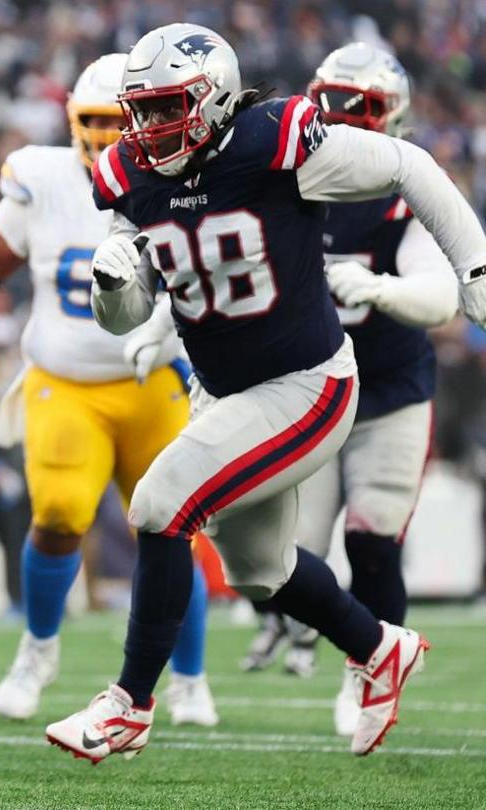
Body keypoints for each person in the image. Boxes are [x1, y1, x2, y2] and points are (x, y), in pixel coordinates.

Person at [46, 23, 486, 762]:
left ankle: (128, 704)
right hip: (226, 393)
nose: (149, 128)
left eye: (166, 109)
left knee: (159, 504)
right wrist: (114, 283)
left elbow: (410, 165)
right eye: (141, 111)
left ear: (213, 98)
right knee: (260, 571)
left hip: (307, 382)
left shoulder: (277, 143)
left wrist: (474, 266)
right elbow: (121, 311)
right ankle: (378, 647)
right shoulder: (131, 174)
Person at [0, 54, 216, 725]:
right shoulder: (44, 181)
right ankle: (38, 650)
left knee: (174, 533)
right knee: (58, 515)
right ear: (70, 123)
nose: (103, 135)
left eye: (116, 121)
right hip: (66, 383)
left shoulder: (185, 181)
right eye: (92, 121)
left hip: (155, 383)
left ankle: (191, 677)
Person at [241, 44, 456, 736]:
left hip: (389, 391)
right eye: (328, 103)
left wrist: (382, 288)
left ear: (390, 120)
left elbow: (441, 295)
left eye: (355, 109)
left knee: (372, 537)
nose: (336, 120)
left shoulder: (403, 188)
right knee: (284, 552)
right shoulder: (285, 180)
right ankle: (331, 638)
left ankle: (370, 674)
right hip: (307, 389)